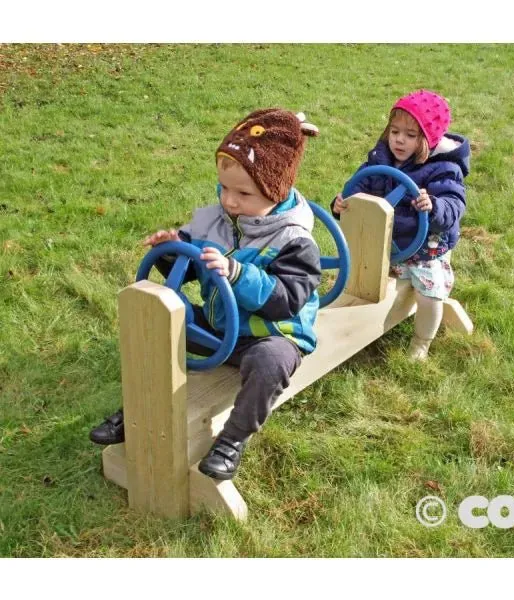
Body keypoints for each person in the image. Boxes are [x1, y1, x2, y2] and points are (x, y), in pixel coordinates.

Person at [90, 108, 322, 480]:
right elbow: (191, 268)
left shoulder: (294, 240)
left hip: (270, 334)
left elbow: (286, 301)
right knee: (160, 318)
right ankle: (135, 414)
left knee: (273, 363)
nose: (229, 201)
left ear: (275, 190)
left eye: (244, 192)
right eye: (225, 187)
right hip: (220, 325)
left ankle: (232, 440)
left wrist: (238, 273)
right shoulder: (217, 219)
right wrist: (171, 249)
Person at [332, 89, 470, 360]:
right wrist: (340, 206)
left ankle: (421, 341)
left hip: (424, 249)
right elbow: (355, 190)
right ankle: (353, 325)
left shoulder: (443, 168)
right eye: (394, 131)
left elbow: (454, 206)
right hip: (384, 245)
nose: (399, 140)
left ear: (428, 139)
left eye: (410, 135)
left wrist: (433, 206)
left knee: (429, 294)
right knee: (359, 279)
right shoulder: (379, 159)